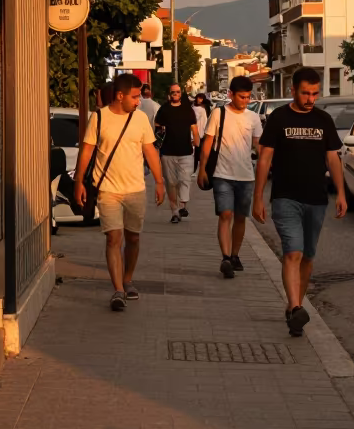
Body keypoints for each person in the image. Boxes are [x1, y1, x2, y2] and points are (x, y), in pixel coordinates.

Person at [253, 66, 346, 336]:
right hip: (285, 196)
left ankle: (296, 305)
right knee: (292, 252)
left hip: (316, 198)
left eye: (315, 94)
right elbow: (265, 159)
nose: (310, 99)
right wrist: (257, 197)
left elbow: (333, 158)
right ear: (292, 90)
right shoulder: (279, 118)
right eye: (305, 93)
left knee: (307, 256)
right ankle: (295, 309)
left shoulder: (323, 120)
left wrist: (340, 192)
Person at [74, 73, 165, 311]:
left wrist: (160, 181)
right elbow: (87, 151)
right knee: (114, 238)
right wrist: (78, 181)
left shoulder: (141, 119)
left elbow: (150, 152)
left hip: (135, 189)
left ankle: (127, 278)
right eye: (135, 97)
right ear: (120, 95)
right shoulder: (99, 117)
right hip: (107, 189)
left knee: (133, 238)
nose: (138, 101)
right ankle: (118, 290)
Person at [198, 75, 262, 278]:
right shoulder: (218, 114)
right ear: (231, 94)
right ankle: (225, 258)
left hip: (246, 176)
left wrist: (268, 160)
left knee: (241, 218)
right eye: (242, 97)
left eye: (248, 97)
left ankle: (235, 255)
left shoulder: (253, 118)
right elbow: (207, 143)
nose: (245, 101)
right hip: (222, 174)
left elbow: (257, 145)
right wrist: (201, 169)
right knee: (225, 215)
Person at [155, 82, 199, 223]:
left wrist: (197, 142)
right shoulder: (164, 110)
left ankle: (183, 205)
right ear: (169, 94)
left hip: (186, 151)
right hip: (167, 152)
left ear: (181, 94)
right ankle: (175, 211)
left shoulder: (188, 110)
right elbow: (156, 127)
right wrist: (158, 140)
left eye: (178, 92)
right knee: (171, 183)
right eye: (173, 92)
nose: (176, 94)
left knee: (185, 179)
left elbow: (194, 129)